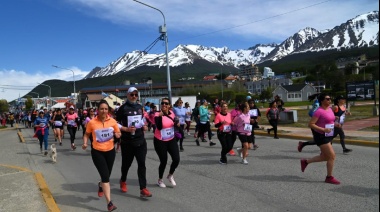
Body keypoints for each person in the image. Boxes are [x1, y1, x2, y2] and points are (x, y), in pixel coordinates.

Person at [82, 100, 121, 211]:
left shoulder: (112, 121)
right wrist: (85, 143)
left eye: (105, 109)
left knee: (107, 175)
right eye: (101, 109)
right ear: (97, 110)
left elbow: (118, 133)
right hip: (97, 152)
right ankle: (109, 203)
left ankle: (100, 185)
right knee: (105, 177)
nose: (103, 111)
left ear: (108, 110)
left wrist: (118, 134)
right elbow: (86, 134)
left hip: (110, 151)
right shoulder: (92, 122)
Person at [115, 87, 152, 198]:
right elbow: (115, 123)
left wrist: (144, 126)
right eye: (132, 94)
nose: (134, 96)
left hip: (140, 140)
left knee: (142, 164)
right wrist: (126, 129)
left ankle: (143, 188)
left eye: (136, 94)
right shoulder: (122, 108)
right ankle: (123, 180)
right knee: (126, 164)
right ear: (127, 95)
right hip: (127, 142)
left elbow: (141, 121)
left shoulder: (140, 107)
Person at [300, 93, 341, 185]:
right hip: (321, 136)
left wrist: (335, 124)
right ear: (322, 101)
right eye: (327, 99)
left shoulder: (330, 109)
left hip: (328, 134)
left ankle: (306, 162)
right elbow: (311, 124)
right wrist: (323, 129)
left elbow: (329, 121)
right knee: (332, 156)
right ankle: (329, 177)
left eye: (330, 98)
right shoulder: (319, 111)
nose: (330, 100)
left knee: (325, 157)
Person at [154, 98, 180, 188]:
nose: (164, 105)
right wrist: (160, 117)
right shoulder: (157, 114)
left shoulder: (172, 113)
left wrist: (177, 123)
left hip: (171, 139)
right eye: (162, 103)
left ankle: (170, 175)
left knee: (176, 159)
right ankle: (160, 180)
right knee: (164, 161)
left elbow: (173, 122)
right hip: (160, 141)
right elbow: (160, 127)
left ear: (169, 105)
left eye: (166, 103)